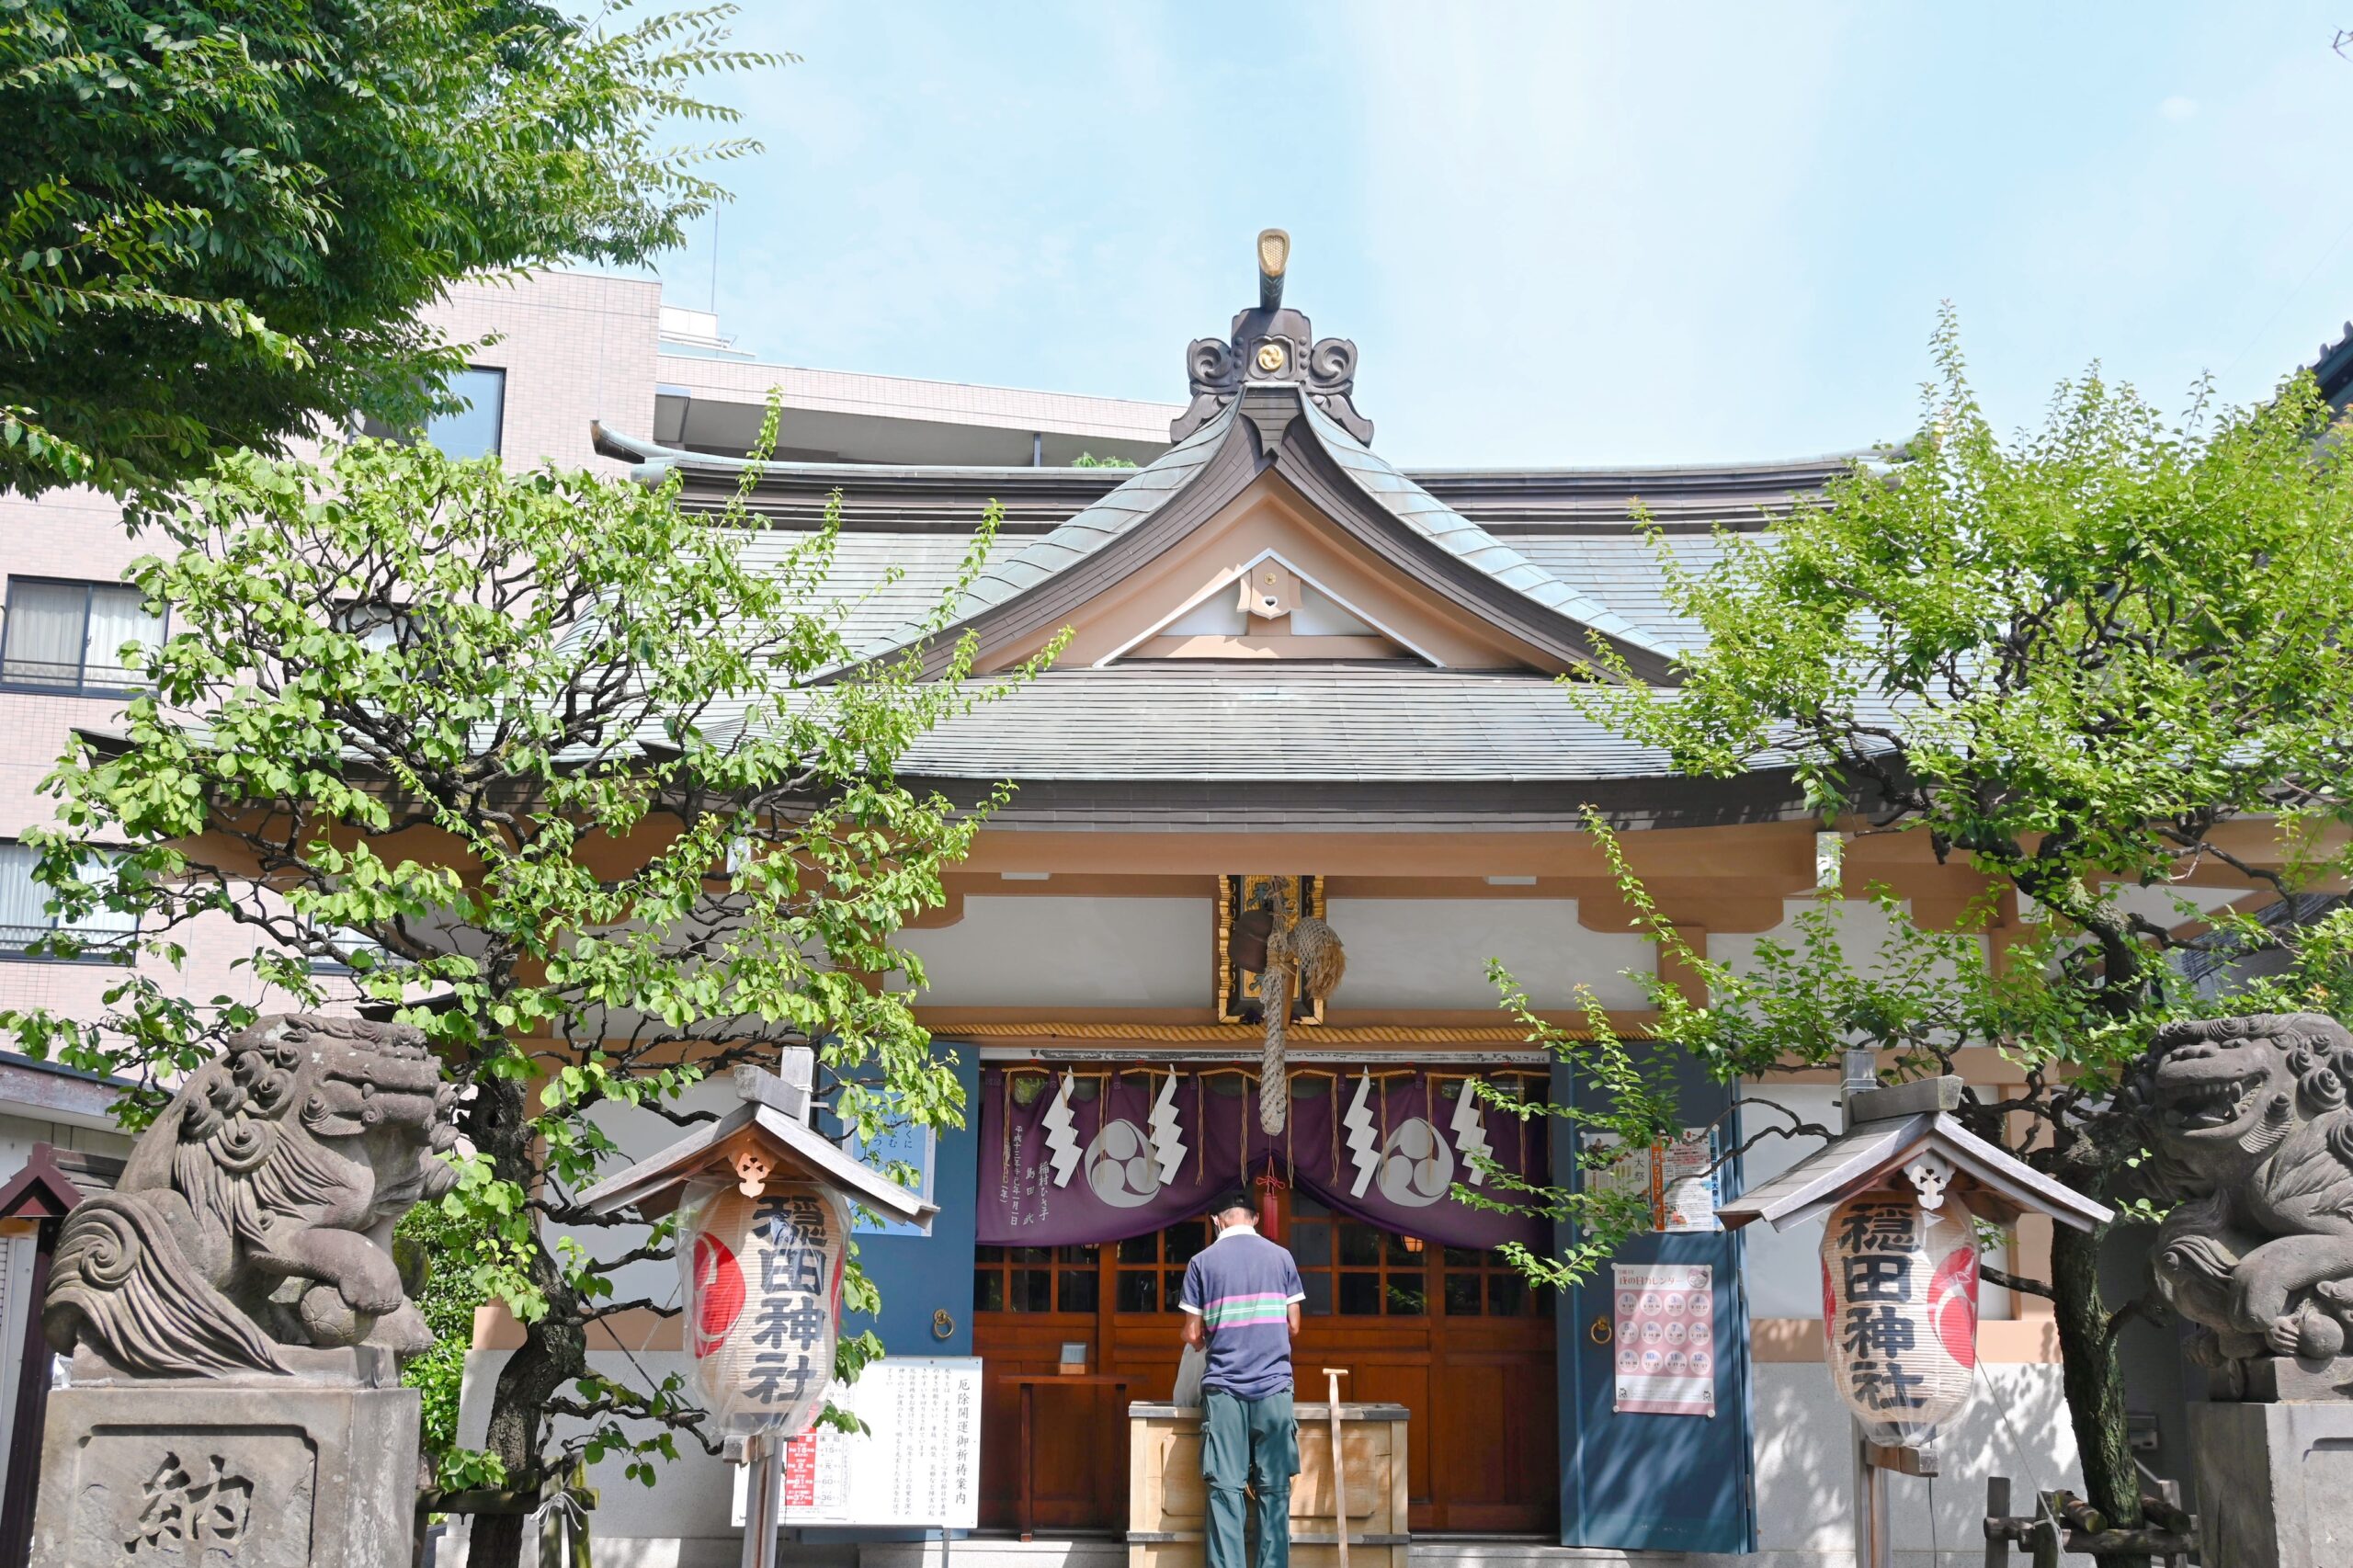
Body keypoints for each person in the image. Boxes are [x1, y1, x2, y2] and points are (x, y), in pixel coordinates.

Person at [1178, 1190, 1307, 1568]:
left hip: (1224, 1389)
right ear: (1254, 1218)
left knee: (1224, 1489)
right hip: (1274, 1389)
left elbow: (1191, 1333)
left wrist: (1212, 1333)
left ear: (1216, 1220)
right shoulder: (1282, 1257)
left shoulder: (1201, 1262)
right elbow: (1295, 1325)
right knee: (1276, 1489)